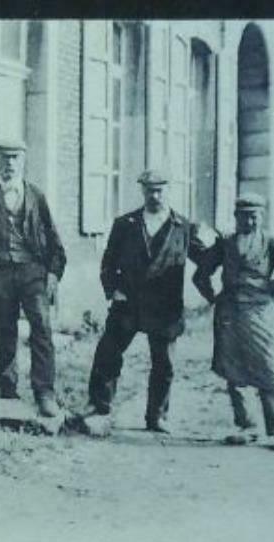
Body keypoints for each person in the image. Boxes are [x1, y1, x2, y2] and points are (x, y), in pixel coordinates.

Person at [84, 169, 207, 434]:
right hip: (128, 302)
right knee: (108, 353)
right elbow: (108, 262)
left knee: (164, 363)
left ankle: (157, 416)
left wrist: (217, 257)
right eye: (150, 190)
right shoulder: (125, 224)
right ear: (142, 191)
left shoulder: (183, 227)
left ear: (168, 190)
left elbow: (207, 258)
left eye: (160, 190)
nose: (155, 196)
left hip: (165, 306)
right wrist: (113, 290)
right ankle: (99, 407)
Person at [193, 193, 274, 451]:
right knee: (233, 370)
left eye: (254, 216)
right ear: (236, 217)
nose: (249, 221)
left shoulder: (272, 243)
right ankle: (247, 426)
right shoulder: (225, 243)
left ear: (262, 216)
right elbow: (201, 272)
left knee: (269, 366)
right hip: (228, 314)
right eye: (244, 216)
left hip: (259, 311)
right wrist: (212, 297)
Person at [0, 142, 66, 417]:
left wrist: (53, 273)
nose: (10, 164)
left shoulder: (36, 195)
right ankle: (8, 391)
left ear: (22, 161)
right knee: (5, 332)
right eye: (5, 158)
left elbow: (53, 239)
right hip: (0, 273)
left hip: (32, 272)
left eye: (15, 158)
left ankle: (45, 392)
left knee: (42, 329)